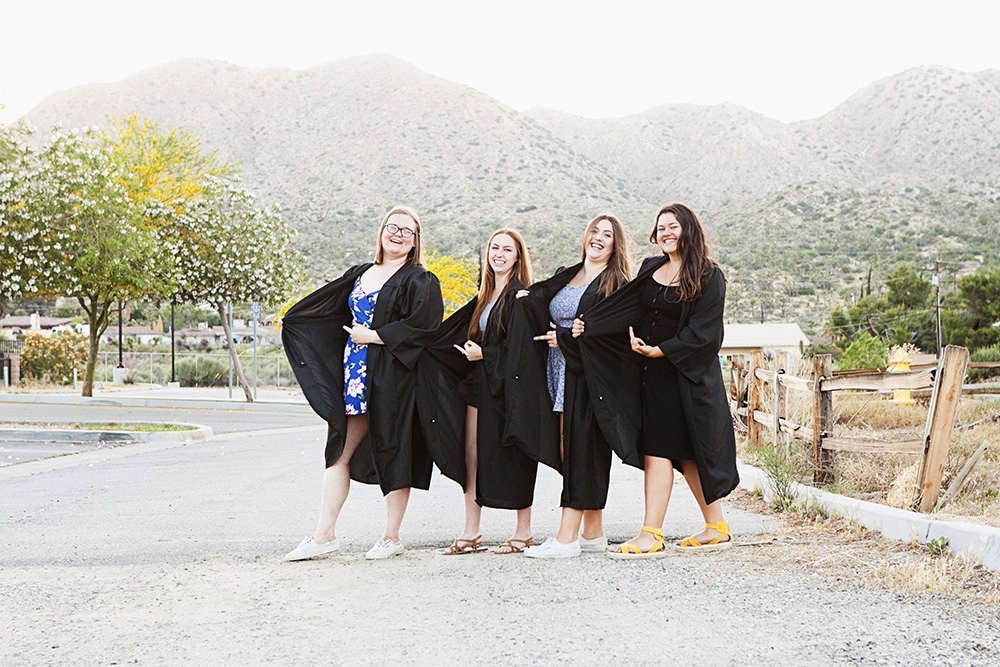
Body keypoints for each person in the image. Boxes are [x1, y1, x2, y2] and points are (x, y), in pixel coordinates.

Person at [575, 203, 739, 558]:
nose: (665, 233)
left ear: (688, 230)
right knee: (679, 452)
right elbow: (629, 308)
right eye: (660, 228)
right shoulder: (653, 267)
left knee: (666, 451)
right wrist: (592, 327)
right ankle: (717, 527)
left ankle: (651, 535)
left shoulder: (710, 276)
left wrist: (660, 350)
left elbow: (706, 333)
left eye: (672, 226)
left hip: (688, 377)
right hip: (651, 376)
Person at [280, 207, 445, 561]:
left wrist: (374, 336)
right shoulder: (360, 273)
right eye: (392, 227)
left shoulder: (420, 280)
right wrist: (296, 322)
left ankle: (391, 537)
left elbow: (426, 326)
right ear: (381, 231)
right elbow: (332, 312)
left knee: (393, 447)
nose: (398, 234)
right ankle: (324, 534)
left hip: (393, 376)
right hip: (354, 374)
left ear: (416, 241)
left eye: (408, 231)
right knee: (339, 450)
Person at [502, 215, 637, 559]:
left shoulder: (615, 283)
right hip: (558, 373)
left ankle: (566, 538)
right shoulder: (571, 272)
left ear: (615, 243)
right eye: (594, 231)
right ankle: (592, 532)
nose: (598, 238)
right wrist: (527, 298)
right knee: (574, 450)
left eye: (607, 235)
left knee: (582, 449)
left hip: (589, 376)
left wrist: (565, 339)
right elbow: (545, 300)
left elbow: (610, 335)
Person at [419, 228, 536, 554]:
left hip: (509, 388)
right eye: (494, 248)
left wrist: (486, 354)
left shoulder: (520, 296)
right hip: (480, 384)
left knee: (516, 452)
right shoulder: (484, 296)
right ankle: (471, 531)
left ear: (517, 256)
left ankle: (523, 531)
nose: (499, 254)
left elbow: (522, 348)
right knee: (471, 456)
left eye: (506, 249)